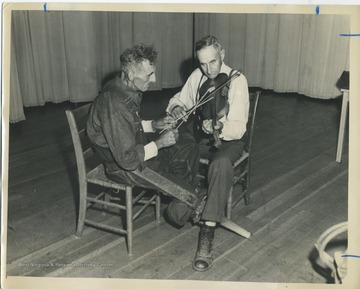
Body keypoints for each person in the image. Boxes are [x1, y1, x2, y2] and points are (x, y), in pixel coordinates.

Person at [87, 43, 203, 229]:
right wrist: (158, 144)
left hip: (134, 150)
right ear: (132, 74)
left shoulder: (123, 86)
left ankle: (180, 197)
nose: (154, 79)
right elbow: (127, 160)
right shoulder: (114, 103)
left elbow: (124, 128)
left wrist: (153, 125)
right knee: (192, 197)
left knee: (188, 146)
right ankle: (181, 204)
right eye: (149, 75)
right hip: (124, 167)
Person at [166, 35, 250, 272]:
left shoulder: (237, 80)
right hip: (202, 137)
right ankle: (191, 200)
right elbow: (176, 99)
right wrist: (178, 107)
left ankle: (207, 231)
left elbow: (239, 127)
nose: (208, 69)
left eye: (212, 62)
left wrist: (220, 127)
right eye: (203, 63)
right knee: (175, 145)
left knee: (220, 163)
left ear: (221, 53)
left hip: (230, 139)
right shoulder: (198, 76)